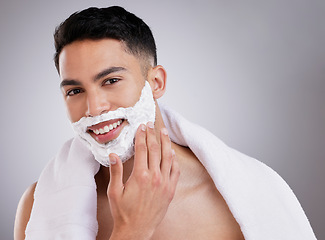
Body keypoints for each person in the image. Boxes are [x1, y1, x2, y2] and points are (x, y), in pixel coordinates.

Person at [14, 6, 316, 240]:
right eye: (75, 91)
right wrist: (131, 231)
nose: (94, 108)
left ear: (156, 82)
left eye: (111, 80)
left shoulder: (240, 197)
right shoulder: (38, 206)